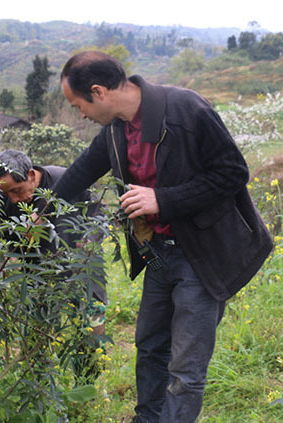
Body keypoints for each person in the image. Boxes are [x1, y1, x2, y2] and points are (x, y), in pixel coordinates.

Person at [53, 51, 273, 423]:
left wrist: (162, 199)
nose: (81, 115)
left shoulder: (185, 110)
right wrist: (38, 213)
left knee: (186, 367)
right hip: (159, 253)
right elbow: (79, 174)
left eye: (79, 106)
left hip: (203, 255)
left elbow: (233, 172)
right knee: (151, 347)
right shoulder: (117, 130)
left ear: (98, 91)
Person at [0, 149, 107, 383]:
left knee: (92, 318)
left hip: (81, 264)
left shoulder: (67, 179)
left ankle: (88, 381)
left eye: (16, 191)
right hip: (37, 271)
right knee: (37, 327)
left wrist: (89, 242)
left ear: (32, 175)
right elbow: (8, 241)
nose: (13, 199)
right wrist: (12, 259)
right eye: (7, 194)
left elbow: (99, 215)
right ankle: (38, 383)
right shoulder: (3, 197)